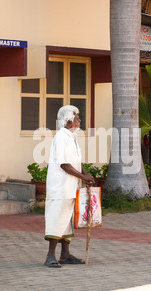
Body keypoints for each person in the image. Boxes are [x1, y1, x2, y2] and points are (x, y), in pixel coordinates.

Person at [44, 105, 94, 268]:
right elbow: (64, 164)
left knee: (66, 220)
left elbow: (75, 162)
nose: (79, 120)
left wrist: (85, 175)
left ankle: (65, 255)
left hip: (70, 187)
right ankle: (50, 255)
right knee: (56, 219)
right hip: (60, 187)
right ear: (69, 120)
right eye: (77, 117)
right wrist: (82, 176)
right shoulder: (61, 137)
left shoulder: (72, 137)